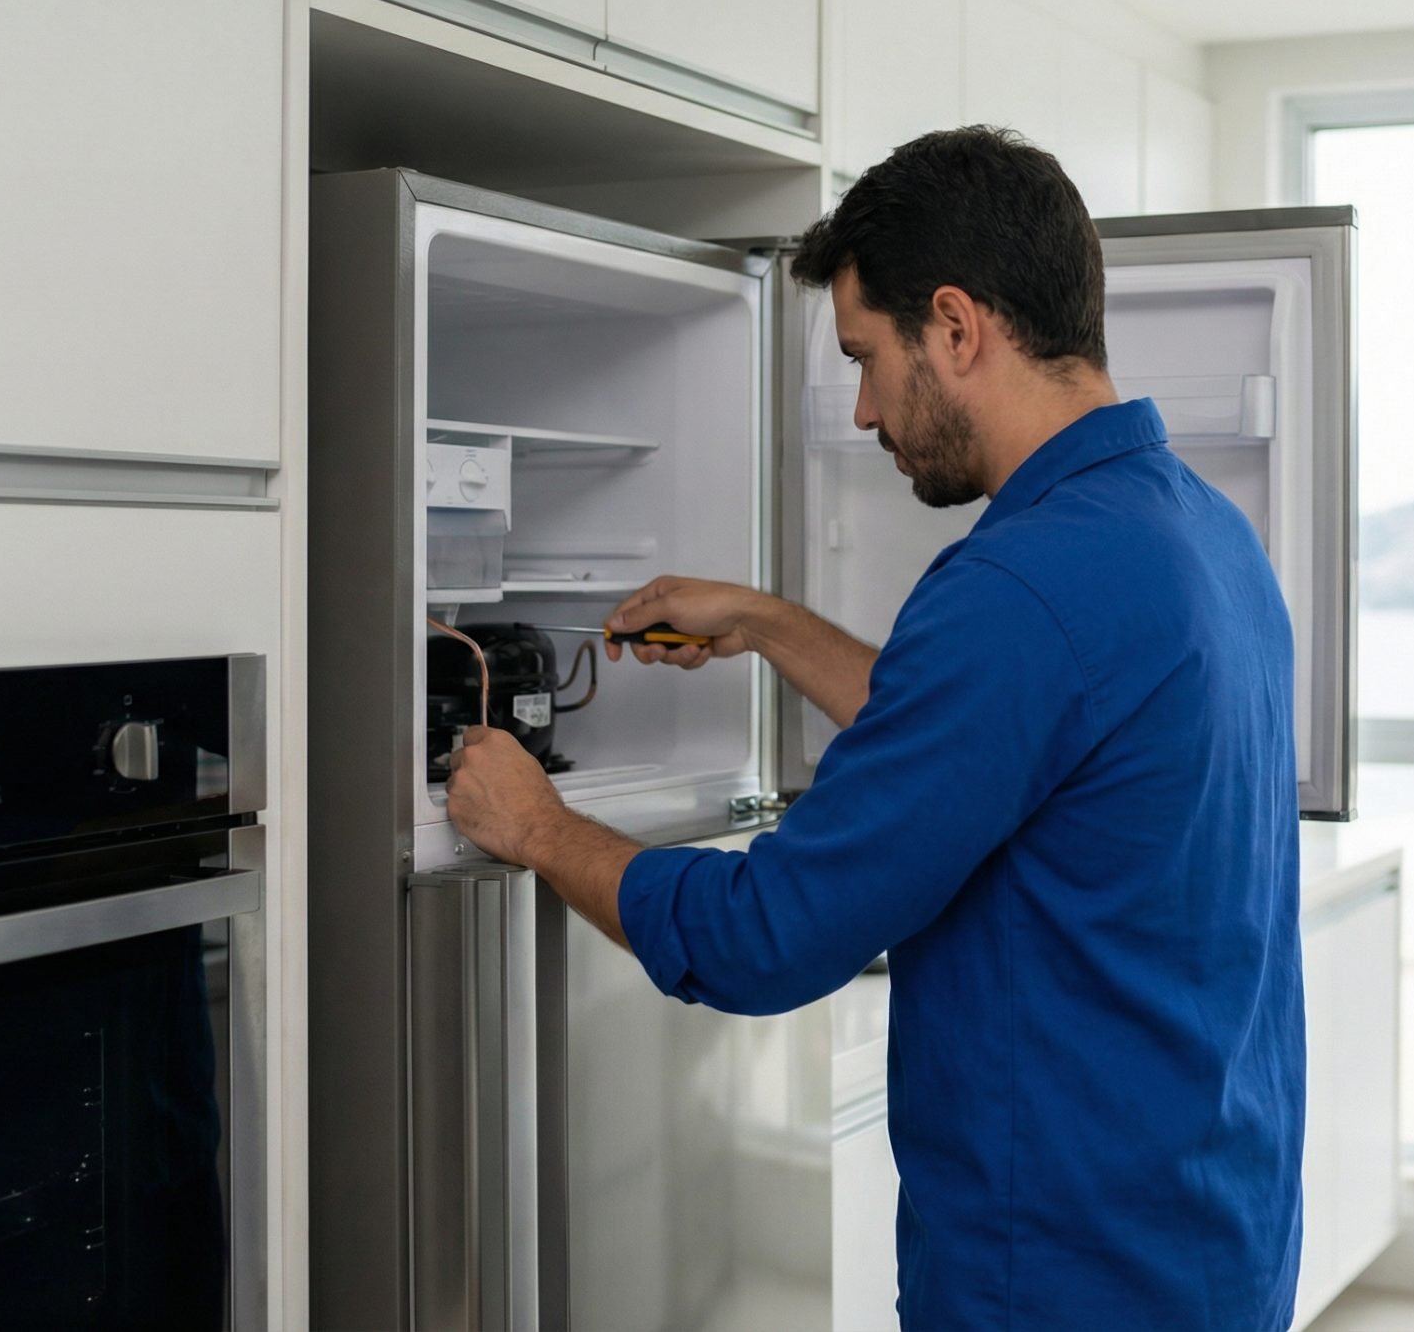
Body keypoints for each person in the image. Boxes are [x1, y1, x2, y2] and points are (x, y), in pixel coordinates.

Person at [447, 126, 1304, 1331]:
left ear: (956, 327)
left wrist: (539, 827)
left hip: (1062, 1275)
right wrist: (769, 622)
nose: (859, 410)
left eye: (864, 355)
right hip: (1213, 1236)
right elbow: (999, 748)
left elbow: (764, 936)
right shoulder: (1199, 532)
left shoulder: (1016, 588)